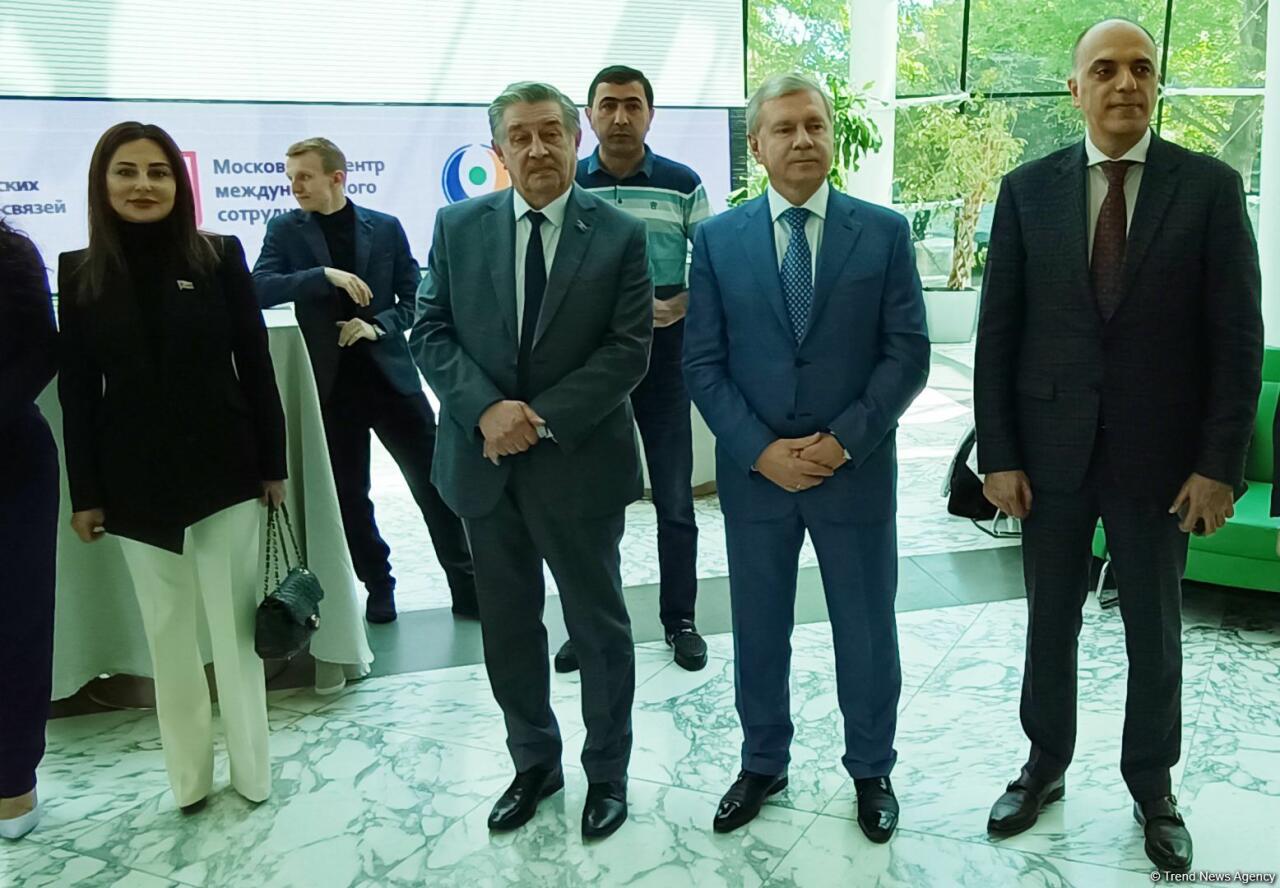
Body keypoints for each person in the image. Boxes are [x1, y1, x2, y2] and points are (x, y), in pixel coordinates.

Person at [974, 19, 1262, 875]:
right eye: (1105, 70)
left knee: (1156, 633)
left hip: (1162, 466)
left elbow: (1236, 340)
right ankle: (1043, 765)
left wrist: (1218, 466)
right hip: (1049, 458)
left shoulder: (1209, 188)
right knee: (1048, 623)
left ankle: (1153, 787)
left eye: (1142, 68)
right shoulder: (1026, 191)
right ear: (1076, 89)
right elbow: (998, 335)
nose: (1125, 83)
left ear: (1157, 84)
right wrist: (999, 454)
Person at [684, 73, 929, 842]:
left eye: (815, 125)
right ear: (756, 146)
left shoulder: (882, 233)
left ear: (831, 135)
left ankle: (872, 768)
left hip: (853, 472)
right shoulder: (716, 241)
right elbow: (703, 363)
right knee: (759, 629)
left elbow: (907, 353)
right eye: (784, 128)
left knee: (867, 630)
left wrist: (842, 440)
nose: (802, 140)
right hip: (758, 479)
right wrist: (760, 451)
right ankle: (763, 761)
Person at [411, 81, 652, 841]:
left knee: (598, 628)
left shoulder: (618, 234)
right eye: (521, 136)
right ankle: (534, 763)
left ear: (577, 140)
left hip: (579, 466)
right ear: (499, 150)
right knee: (509, 628)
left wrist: (536, 418)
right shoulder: (457, 226)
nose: (538, 148)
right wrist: (487, 410)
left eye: (552, 132)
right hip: (484, 466)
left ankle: (607, 772)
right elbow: (429, 331)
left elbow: (628, 350)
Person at [58, 121, 289, 813]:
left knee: (235, 633)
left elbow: (256, 365)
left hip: (227, 473)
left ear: (179, 184)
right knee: (168, 636)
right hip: (132, 485)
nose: (143, 185)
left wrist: (273, 466)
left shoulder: (219, 255)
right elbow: (77, 392)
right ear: (102, 183)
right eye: (126, 171)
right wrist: (86, 494)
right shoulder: (79, 270)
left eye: (158, 172)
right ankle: (189, 780)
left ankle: (252, 772)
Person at [253, 137, 476, 625]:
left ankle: (466, 584)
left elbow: (415, 300)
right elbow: (257, 287)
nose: (295, 187)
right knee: (351, 497)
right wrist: (323, 275)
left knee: (435, 487)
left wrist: (376, 326)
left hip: (393, 382)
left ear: (336, 177)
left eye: (304, 176)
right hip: (331, 389)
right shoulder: (285, 230)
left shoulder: (386, 227)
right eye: (290, 178)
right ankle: (379, 585)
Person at [564, 64, 713, 674]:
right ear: (589, 116)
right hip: (591, 366)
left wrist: (685, 301)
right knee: (591, 504)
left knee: (675, 499)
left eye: (632, 105)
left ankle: (681, 620)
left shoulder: (682, 183)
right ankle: (590, 624)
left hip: (666, 361)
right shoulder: (570, 183)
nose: (620, 117)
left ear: (650, 114)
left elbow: (715, 263)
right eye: (608, 105)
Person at [0, 221, 57, 840]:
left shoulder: (12, 252)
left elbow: (42, 350)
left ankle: (13, 778)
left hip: (11, 462)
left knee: (16, 622)